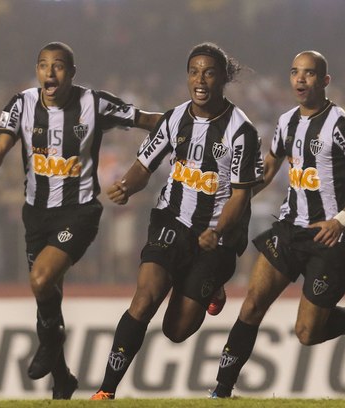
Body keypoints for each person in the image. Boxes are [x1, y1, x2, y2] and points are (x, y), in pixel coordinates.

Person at [0, 41, 160, 399]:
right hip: (35, 214)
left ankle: (52, 340)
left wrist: (191, 123)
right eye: (43, 65)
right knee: (48, 292)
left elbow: (149, 120)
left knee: (40, 279)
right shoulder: (21, 104)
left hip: (78, 211)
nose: (50, 72)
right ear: (37, 71)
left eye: (59, 65)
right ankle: (62, 378)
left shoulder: (94, 103)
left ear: (72, 73)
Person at [90, 42, 264, 400]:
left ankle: (209, 284)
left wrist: (217, 231)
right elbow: (144, 166)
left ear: (222, 79)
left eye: (209, 72)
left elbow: (240, 195)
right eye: (194, 72)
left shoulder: (241, 131)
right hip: (172, 219)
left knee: (176, 330)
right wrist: (126, 185)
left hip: (216, 237)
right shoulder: (175, 118)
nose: (200, 80)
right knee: (145, 297)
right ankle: (105, 391)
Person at [210, 50, 345, 399]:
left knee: (307, 333)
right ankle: (221, 390)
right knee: (252, 304)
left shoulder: (340, 124)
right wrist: (234, 195)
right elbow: (270, 165)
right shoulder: (287, 121)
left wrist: (342, 219)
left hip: (331, 239)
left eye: (308, 74)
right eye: (294, 73)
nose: (300, 80)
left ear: (324, 81)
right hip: (290, 231)